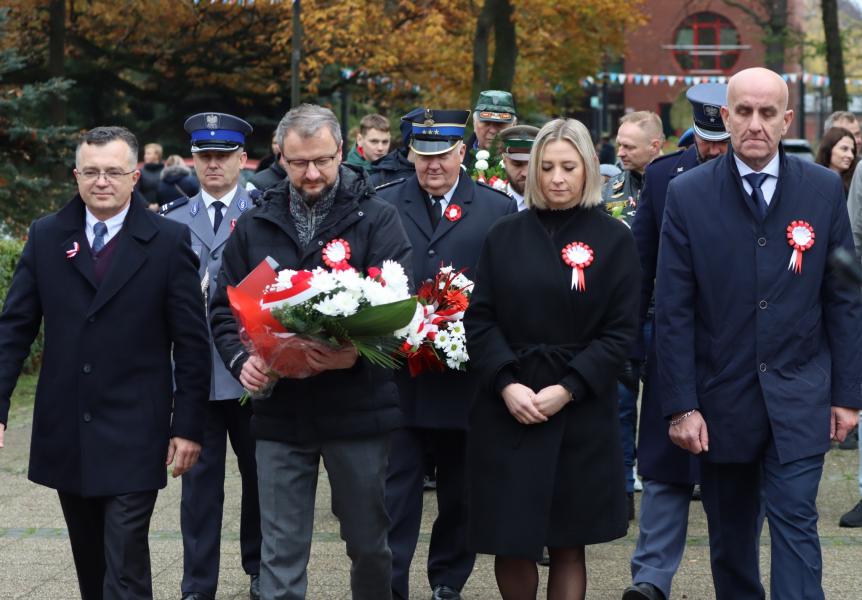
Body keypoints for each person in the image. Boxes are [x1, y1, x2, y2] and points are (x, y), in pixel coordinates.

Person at [654, 67, 862, 600]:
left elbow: (842, 298)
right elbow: (673, 309)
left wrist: (847, 395)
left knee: (796, 524)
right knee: (731, 540)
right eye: (743, 111)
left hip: (799, 395)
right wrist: (681, 405)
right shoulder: (687, 194)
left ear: (786, 119)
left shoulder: (821, 190)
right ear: (724, 117)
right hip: (720, 402)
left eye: (768, 112)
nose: (754, 123)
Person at [209, 103, 413, 600]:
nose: (313, 172)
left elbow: (404, 312)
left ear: (342, 151)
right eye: (299, 162)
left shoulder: (379, 219)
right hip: (282, 412)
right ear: (281, 155)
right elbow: (222, 308)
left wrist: (356, 355)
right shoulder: (255, 221)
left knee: (368, 544)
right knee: (279, 551)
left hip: (358, 411)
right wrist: (244, 362)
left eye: (323, 159)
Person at [0, 126, 210, 599]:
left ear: (135, 177)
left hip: (137, 427)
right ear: (76, 175)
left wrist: (188, 425)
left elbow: (192, 343)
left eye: (113, 172)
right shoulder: (47, 235)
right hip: (67, 425)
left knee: (126, 560)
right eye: (91, 171)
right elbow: (14, 328)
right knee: (90, 560)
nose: (101, 181)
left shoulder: (167, 241)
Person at [464, 117, 640, 599]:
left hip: (578, 405)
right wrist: (506, 383)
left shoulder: (615, 239)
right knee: (511, 541)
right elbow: (479, 320)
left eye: (568, 166)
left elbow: (620, 331)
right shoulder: (503, 234)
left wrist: (568, 389)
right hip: (509, 404)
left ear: (588, 170)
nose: (557, 178)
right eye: (546, 167)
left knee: (568, 542)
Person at [376, 109, 517, 600]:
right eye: (423, 155)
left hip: (465, 375)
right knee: (396, 488)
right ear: (410, 153)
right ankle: (390, 582)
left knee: (461, 489)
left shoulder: (497, 209)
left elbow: (506, 287)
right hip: (400, 373)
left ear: (463, 152)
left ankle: (448, 580)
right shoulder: (384, 203)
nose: (432, 166)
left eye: (442, 155)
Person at [623, 82, 731, 600]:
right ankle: (650, 578)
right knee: (665, 464)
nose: (712, 150)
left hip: (736, 350)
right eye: (705, 139)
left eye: (721, 140)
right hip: (673, 340)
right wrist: (631, 345)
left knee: (730, 469)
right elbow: (641, 267)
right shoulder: (665, 176)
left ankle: (732, 577)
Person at [161, 113, 262, 600]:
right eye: (206, 155)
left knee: (261, 480)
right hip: (197, 377)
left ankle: (260, 570)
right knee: (199, 489)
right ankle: (197, 585)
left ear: (243, 158)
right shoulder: (172, 220)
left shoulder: (264, 212)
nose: (214, 164)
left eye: (224, 155)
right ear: (193, 160)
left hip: (252, 373)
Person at [602, 111, 664, 226]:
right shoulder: (607, 190)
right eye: (619, 145)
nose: (619, 153)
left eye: (628, 147)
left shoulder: (677, 186)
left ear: (654, 147)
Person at [464, 90, 518, 169]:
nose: (492, 131)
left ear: (514, 126)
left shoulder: (528, 162)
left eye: (500, 124)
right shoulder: (456, 159)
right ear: (474, 123)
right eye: (486, 123)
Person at [369, 108, 422, 188]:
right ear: (410, 142)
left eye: (385, 142)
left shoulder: (439, 172)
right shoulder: (381, 178)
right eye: (423, 139)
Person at [497, 124, 539, 211]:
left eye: (532, 165)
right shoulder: (490, 204)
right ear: (504, 160)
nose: (525, 173)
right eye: (517, 164)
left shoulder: (554, 204)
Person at [815, 126, 856, 198]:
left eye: (852, 151)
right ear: (828, 149)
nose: (851, 155)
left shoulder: (855, 183)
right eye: (844, 149)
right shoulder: (812, 181)